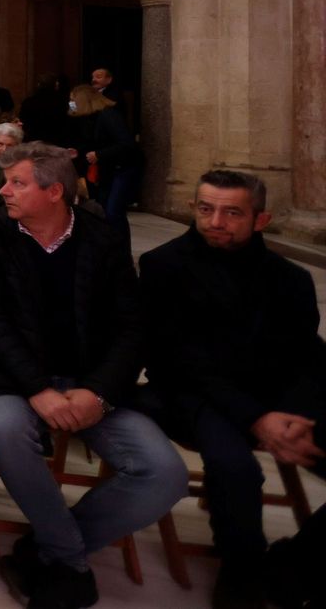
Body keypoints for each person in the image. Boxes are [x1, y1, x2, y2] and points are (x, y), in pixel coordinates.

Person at [0, 142, 186, 609]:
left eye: (17, 183)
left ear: (54, 192)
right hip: (12, 379)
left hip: (88, 381)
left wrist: (99, 393)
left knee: (164, 473)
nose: (3, 190)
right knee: (6, 428)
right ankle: (68, 557)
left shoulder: (101, 237)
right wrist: (38, 389)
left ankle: (50, 549)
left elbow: (131, 327)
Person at [139, 170, 326, 608]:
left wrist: (295, 414)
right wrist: (257, 419)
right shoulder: (164, 266)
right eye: (205, 209)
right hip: (193, 396)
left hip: (276, 399)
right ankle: (241, 572)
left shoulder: (290, 278)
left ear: (261, 220)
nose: (215, 221)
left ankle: (290, 568)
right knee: (236, 467)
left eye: (231, 212)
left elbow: (307, 354)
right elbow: (178, 360)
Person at [65, 83, 140, 237]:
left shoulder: (108, 115)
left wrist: (99, 154)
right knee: (105, 210)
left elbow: (126, 143)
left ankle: (121, 253)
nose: (71, 103)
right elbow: (95, 142)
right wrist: (78, 151)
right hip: (109, 169)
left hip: (123, 168)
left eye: (73, 100)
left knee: (113, 211)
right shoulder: (91, 118)